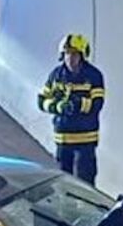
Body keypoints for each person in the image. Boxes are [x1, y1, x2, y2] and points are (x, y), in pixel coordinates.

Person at [39, 33, 105, 185]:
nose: (71, 58)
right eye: (67, 53)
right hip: (63, 139)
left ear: (82, 55)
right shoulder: (56, 75)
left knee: (85, 182)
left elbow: (97, 103)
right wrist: (58, 106)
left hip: (85, 139)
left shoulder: (94, 76)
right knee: (62, 182)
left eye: (75, 54)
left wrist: (76, 104)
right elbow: (41, 100)